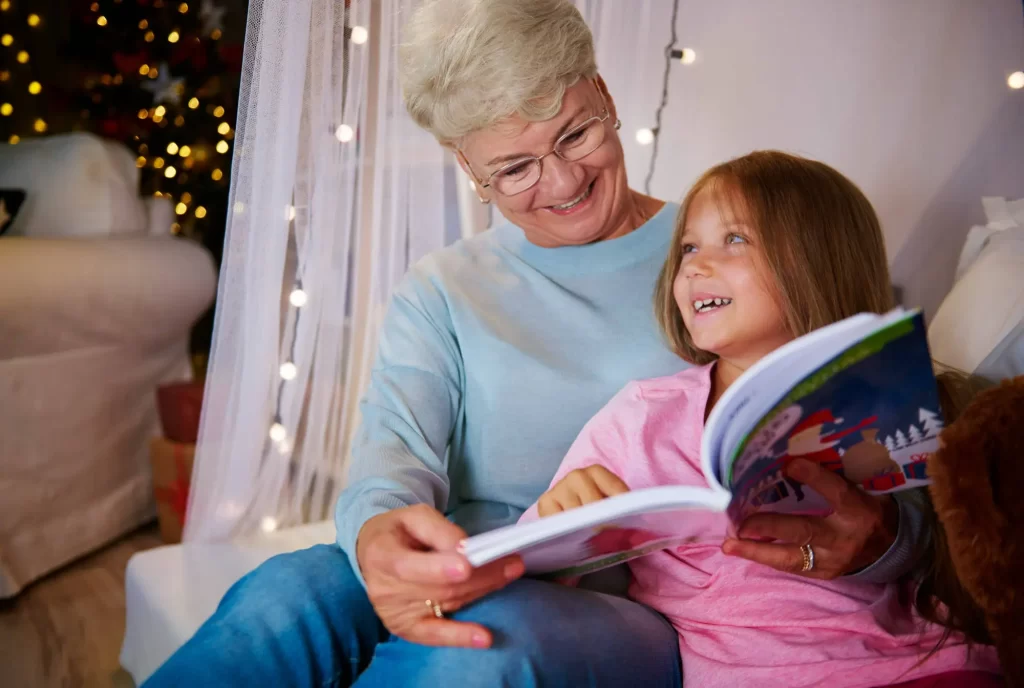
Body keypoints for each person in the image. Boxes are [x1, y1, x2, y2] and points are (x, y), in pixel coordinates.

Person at [144, 2, 928, 686]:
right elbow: (392, 456)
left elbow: (888, 459)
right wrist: (385, 533)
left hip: (641, 605)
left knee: (484, 647)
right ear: (469, 168)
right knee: (285, 596)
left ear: (606, 96)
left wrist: (881, 542)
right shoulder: (443, 287)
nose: (559, 181)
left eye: (576, 132)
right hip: (480, 556)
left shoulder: (732, 253)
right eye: (513, 167)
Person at [525, 151, 1003, 687]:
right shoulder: (640, 418)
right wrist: (558, 524)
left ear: (820, 262)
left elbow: (966, 557)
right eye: (688, 246)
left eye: (735, 240)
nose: (695, 266)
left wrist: (891, 537)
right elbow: (526, 563)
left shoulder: (905, 400)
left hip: (920, 665)